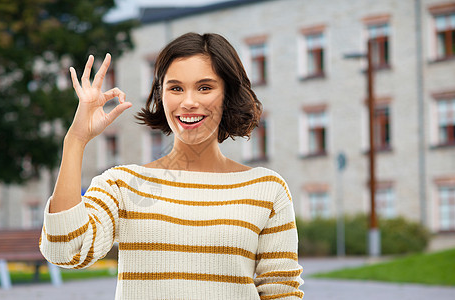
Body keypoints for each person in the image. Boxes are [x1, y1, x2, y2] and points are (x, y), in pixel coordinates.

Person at [40, 32, 304, 299]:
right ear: (161, 96)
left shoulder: (267, 189)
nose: (188, 102)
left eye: (205, 87)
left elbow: (281, 291)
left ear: (228, 94)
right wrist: (75, 140)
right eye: (176, 88)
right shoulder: (122, 185)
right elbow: (65, 250)